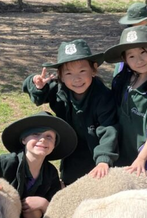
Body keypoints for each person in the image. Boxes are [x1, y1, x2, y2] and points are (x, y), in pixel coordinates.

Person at [22, 39, 119, 185]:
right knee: (71, 183)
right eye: (68, 73)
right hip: (71, 149)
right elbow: (37, 94)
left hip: (95, 147)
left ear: (93, 70)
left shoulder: (103, 97)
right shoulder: (60, 89)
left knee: (97, 183)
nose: (76, 78)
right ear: (60, 76)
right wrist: (38, 86)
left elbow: (108, 129)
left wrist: (104, 159)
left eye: (82, 71)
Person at [104, 26, 147, 177]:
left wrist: (141, 159)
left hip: (143, 163)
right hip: (119, 155)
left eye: (143, 52)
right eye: (131, 56)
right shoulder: (119, 82)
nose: (138, 60)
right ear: (124, 59)